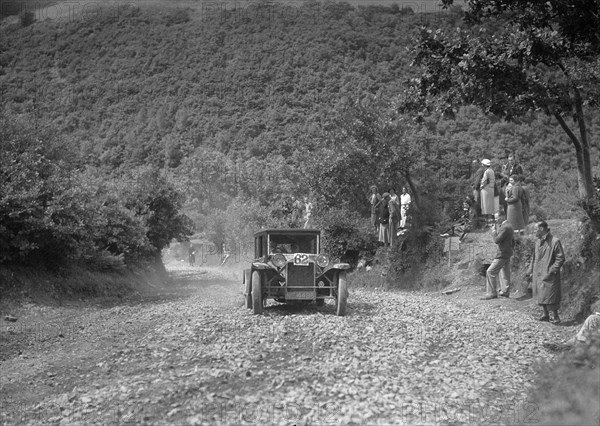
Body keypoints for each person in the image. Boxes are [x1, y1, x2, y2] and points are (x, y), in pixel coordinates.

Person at [527, 221, 565, 324]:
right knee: (541, 294)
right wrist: (531, 269)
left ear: (541, 229)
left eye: (535, 229)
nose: (534, 232)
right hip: (538, 272)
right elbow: (534, 257)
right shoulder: (537, 241)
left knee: (551, 295)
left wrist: (552, 270)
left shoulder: (555, 241)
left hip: (549, 273)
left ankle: (556, 316)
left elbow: (560, 258)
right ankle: (545, 314)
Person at [481, 210, 514, 300]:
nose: (496, 219)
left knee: (490, 272)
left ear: (503, 216)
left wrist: (493, 232)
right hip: (508, 252)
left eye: (497, 217)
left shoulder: (504, 227)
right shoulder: (509, 226)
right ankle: (505, 291)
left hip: (502, 253)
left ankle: (492, 293)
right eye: (495, 217)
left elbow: (496, 240)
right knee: (504, 272)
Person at [479, 159, 496, 226]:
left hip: (486, 189)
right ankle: (492, 220)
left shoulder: (487, 172)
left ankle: (487, 222)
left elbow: (484, 181)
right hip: (491, 188)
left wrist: (481, 186)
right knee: (490, 205)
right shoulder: (492, 170)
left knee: (485, 205)